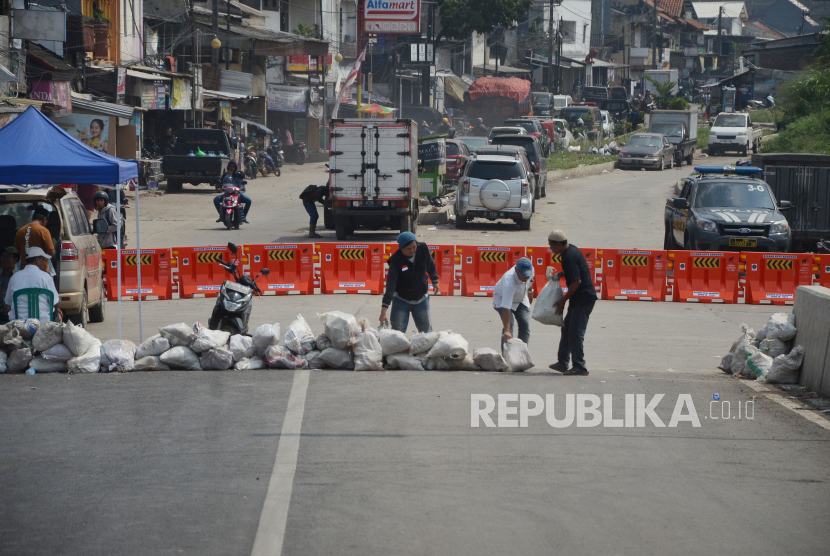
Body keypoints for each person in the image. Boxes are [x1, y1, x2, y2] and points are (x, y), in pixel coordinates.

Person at [546, 229, 597, 376]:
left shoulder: (569, 256)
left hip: (583, 298)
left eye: (551, 245)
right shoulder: (570, 250)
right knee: (566, 329)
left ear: (558, 244)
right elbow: (575, 272)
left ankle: (580, 366)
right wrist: (561, 273)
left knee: (575, 333)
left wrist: (563, 300)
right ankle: (562, 362)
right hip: (578, 298)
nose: (550, 249)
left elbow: (576, 281)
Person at [379, 232, 440, 333]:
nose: (412, 250)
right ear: (401, 248)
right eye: (408, 249)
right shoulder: (396, 261)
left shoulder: (423, 249)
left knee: (427, 332)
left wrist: (435, 280)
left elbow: (430, 264)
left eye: (414, 247)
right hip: (401, 300)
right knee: (397, 333)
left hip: (421, 299)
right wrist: (383, 312)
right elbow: (390, 287)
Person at [4, 247, 61, 323]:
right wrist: (57, 309)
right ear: (37, 259)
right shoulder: (45, 277)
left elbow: (8, 303)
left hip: (20, 324)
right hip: (43, 323)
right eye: (43, 260)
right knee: (58, 315)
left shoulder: (14, 277)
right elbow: (55, 302)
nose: (44, 263)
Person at [493, 257, 534, 350]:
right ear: (516, 270)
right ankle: (506, 356)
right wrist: (507, 331)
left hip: (521, 297)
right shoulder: (509, 282)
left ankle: (521, 353)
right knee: (509, 326)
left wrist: (530, 293)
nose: (526, 278)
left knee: (525, 325)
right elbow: (506, 308)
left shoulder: (530, 271)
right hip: (502, 298)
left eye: (528, 275)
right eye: (523, 276)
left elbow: (530, 282)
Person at [15, 207, 55, 272]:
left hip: (24, 269)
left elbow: (18, 251)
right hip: (41, 270)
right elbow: (51, 252)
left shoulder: (20, 231)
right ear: (44, 219)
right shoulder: (43, 231)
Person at [0, 247, 19, 323]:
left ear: (16, 260)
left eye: (8, 256)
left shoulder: (19, 276)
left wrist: (11, 307)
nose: (5, 259)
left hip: (13, 313)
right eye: (3, 256)